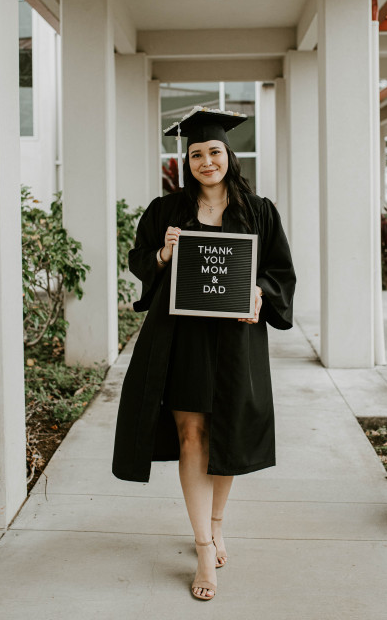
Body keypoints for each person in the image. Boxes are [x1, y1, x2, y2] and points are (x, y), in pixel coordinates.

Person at [112, 106, 296, 601]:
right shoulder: (165, 211)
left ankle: (217, 526)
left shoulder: (258, 211)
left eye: (214, 151)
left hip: (235, 341)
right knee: (191, 433)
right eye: (196, 153)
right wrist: (162, 255)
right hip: (180, 338)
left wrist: (260, 293)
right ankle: (201, 547)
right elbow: (138, 259)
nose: (206, 161)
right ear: (186, 159)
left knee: (225, 434)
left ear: (228, 155)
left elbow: (279, 272)